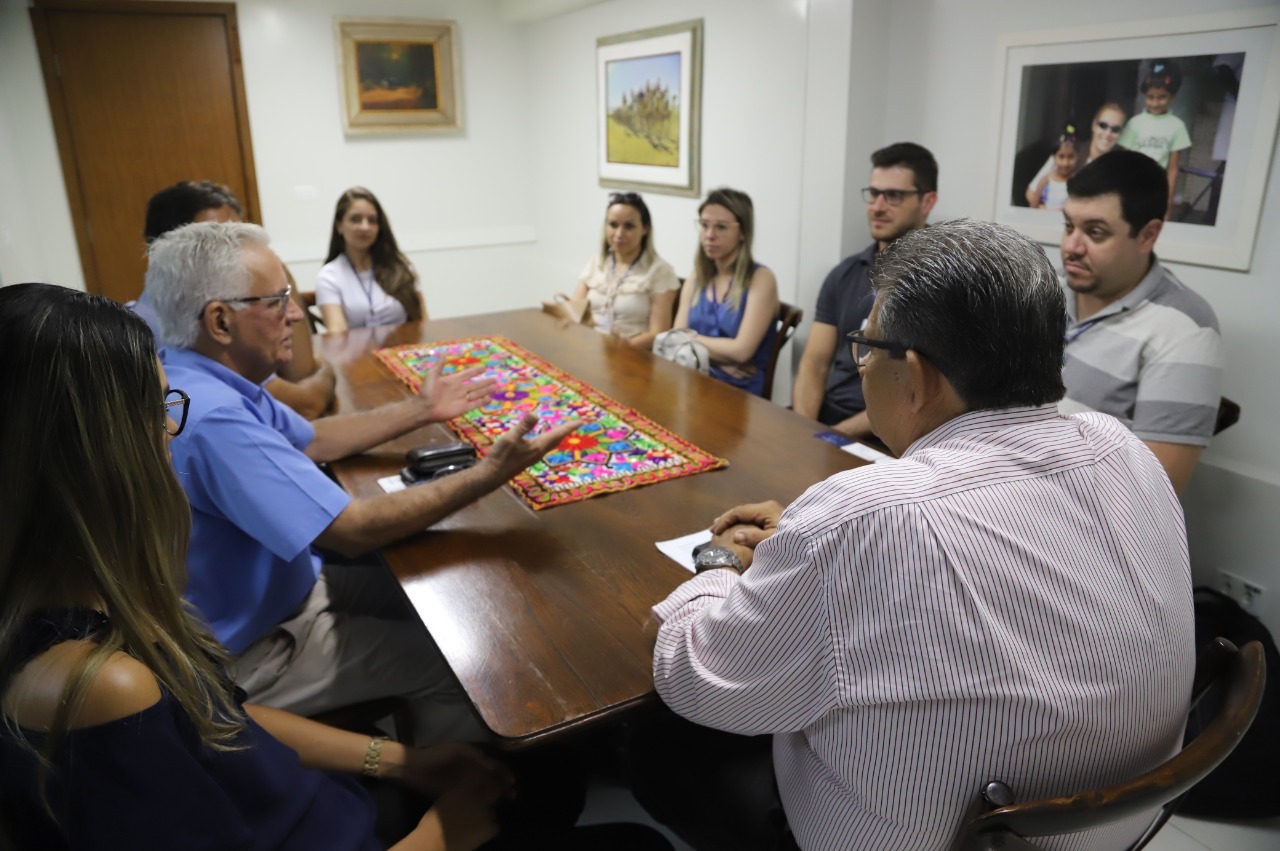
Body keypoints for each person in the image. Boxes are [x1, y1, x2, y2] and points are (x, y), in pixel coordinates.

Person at [0, 283, 671, 851]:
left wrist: (401, 758)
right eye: (156, 413)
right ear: (91, 457)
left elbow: (226, 718)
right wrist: (439, 832)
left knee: (544, 772)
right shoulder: (100, 687)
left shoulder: (100, 603)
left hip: (323, 799)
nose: (171, 438)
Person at [645, 219, 1195, 851]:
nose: (863, 361)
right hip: (1117, 824)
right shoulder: (1120, 447)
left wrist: (717, 564)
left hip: (929, 837)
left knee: (657, 747)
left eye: (866, 348)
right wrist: (810, 538)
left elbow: (693, 675)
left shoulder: (860, 520)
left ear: (918, 373)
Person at [146, 221, 580, 740]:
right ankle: (454, 792)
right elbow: (353, 528)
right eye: (277, 299)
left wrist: (421, 409)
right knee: (467, 669)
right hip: (256, 649)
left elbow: (312, 440)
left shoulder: (196, 373)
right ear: (220, 320)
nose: (293, 313)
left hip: (287, 591)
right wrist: (491, 473)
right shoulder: (214, 418)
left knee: (448, 603)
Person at [1060, 149, 1223, 495]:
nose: (1071, 246)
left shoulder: (1185, 330)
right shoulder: (1048, 288)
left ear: (1148, 235)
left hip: (1073, 529)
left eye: (1095, 232)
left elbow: (1150, 498)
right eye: (1068, 225)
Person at [129, 180, 336, 419]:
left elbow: (299, 374)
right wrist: (327, 370)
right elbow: (305, 404)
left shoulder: (234, 305)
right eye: (216, 237)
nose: (237, 250)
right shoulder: (167, 325)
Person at [792, 143, 937, 438]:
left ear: (927, 201)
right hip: (826, 420)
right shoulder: (844, 274)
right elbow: (814, 363)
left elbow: (924, 394)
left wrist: (835, 437)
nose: (878, 206)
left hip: (890, 437)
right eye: (873, 194)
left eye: (894, 196)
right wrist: (807, 430)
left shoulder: (940, 282)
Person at [673, 187, 779, 396]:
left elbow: (742, 352)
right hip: (693, 381)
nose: (710, 235)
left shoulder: (761, 279)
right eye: (704, 225)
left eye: (721, 227)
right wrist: (718, 357)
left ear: (743, 232)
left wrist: (691, 342)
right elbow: (675, 338)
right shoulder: (697, 276)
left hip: (739, 392)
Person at [571, 191, 680, 350]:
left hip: (631, 356)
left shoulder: (660, 271)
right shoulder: (596, 262)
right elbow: (574, 311)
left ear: (645, 229)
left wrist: (616, 349)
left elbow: (658, 333)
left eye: (629, 226)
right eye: (613, 225)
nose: (619, 234)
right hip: (588, 348)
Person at [317, 187, 425, 332]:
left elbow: (424, 322)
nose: (365, 227)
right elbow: (337, 334)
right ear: (339, 226)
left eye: (372, 220)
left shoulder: (401, 267)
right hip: (356, 353)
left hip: (405, 352)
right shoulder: (329, 276)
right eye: (356, 219)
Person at [1118, 60, 1191, 216]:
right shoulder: (1134, 123)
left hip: (1157, 189)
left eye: (1162, 97)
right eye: (1150, 97)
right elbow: (1123, 162)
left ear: (1173, 96)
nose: (1155, 103)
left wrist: (1168, 204)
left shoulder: (1177, 126)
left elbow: (1172, 169)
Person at [1026, 104, 1126, 195]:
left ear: (1120, 134)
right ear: (1093, 126)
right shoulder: (1068, 151)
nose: (1108, 133)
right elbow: (1031, 193)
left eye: (1115, 129)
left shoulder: (1119, 167)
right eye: (1103, 126)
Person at [1027, 126, 1077, 210]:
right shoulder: (1045, 180)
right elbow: (1033, 206)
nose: (1065, 163)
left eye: (1070, 157)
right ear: (1054, 157)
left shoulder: (1076, 181)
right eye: (1061, 157)